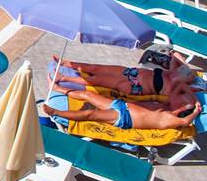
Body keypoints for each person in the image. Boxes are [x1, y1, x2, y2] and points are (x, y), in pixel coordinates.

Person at [50, 53, 201, 110]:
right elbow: (175, 57)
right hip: (132, 72)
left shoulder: (176, 86)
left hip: (135, 86)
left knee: (97, 80)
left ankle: (63, 78)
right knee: (97, 68)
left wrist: (188, 79)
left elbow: (185, 85)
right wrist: (182, 62)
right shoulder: (174, 74)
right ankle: (66, 63)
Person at [44, 85, 201, 131]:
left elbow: (186, 122)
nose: (178, 99)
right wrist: (194, 99)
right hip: (121, 105)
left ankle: (56, 112)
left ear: (182, 110)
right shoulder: (166, 105)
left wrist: (196, 111)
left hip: (124, 118)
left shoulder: (169, 118)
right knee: (87, 95)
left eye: (182, 102)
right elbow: (180, 86)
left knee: (90, 114)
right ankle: (58, 88)